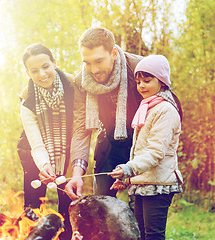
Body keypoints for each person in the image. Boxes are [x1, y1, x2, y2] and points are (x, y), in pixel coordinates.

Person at [108, 55, 184, 240]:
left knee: (153, 236)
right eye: (138, 81)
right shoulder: (148, 107)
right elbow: (140, 151)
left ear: (162, 81)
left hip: (157, 184)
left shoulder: (165, 110)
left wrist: (128, 169)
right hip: (143, 183)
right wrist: (128, 178)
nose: (141, 85)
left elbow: (155, 152)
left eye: (147, 80)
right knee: (139, 235)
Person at [64, 27, 143, 200]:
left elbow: (166, 109)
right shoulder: (81, 82)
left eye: (98, 61)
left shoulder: (139, 68)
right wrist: (77, 174)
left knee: (140, 209)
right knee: (102, 205)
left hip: (142, 144)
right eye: (87, 62)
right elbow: (80, 128)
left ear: (113, 53)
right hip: (109, 142)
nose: (93, 70)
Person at [17, 43, 74, 240]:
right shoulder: (27, 99)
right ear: (27, 73)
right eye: (34, 70)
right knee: (33, 207)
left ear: (54, 63)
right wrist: (44, 164)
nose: (42, 74)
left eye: (46, 66)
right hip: (33, 153)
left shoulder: (73, 87)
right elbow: (36, 142)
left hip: (67, 152)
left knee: (67, 208)